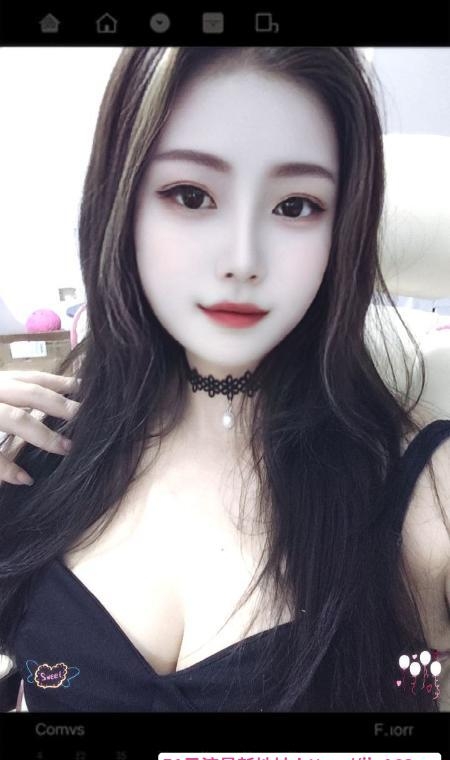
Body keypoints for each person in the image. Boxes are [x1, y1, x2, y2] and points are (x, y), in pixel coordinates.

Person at [0, 46, 449, 713]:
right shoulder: (47, 442)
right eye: (192, 195)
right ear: (121, 203)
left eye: (295, 206)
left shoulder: (426, 492)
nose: (242, 259)